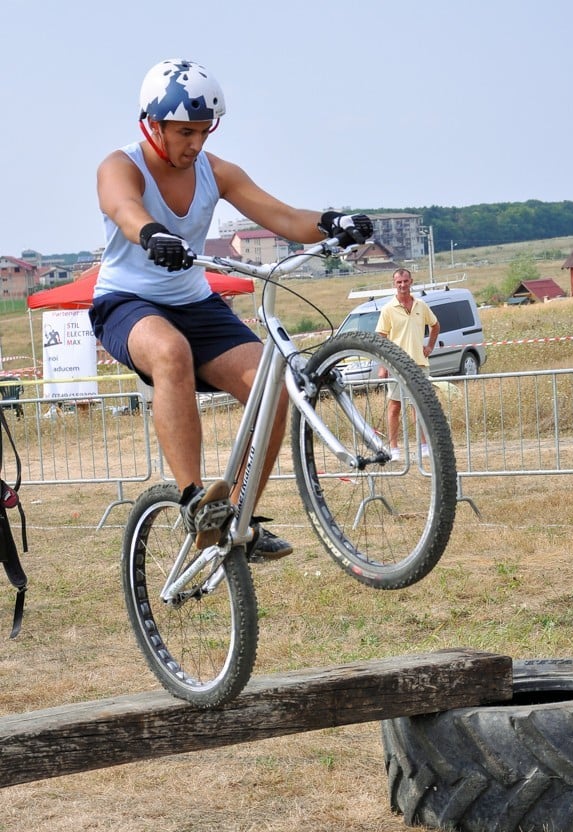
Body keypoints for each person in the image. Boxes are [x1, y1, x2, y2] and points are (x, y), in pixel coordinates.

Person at [89, 58, 373, 559]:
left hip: (196, 303)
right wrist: (152, 233)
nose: (196, 143)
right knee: (170, 352)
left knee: (274, 389)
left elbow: (283, 216)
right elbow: (123, 207)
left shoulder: (216, 171)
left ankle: (236, 520)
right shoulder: (121, 164)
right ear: (152, 125)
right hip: (127, 303)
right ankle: (194, 499)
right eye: (184, 132)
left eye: (204, 131)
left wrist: (333, 220)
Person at [375, 267, 440, 460]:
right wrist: (383, 365)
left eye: (405, 281)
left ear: (411, 282)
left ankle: (424, 444)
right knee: (395, 407)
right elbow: (381, 337)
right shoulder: (388, 309)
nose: (403, 285)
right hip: (396, 364)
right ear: (394, 284)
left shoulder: (421, 305)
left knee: (419, 405)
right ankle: (394, 448)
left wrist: (429, 346)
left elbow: (435, 325)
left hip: (419, 363)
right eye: (399, 282)